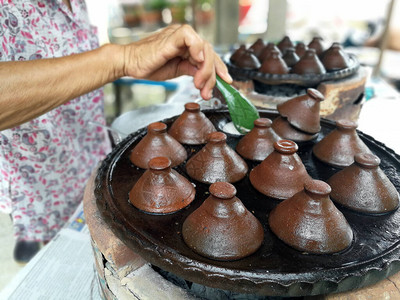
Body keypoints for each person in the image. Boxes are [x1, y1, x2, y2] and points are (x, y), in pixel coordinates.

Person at [0, 0, 232, 263]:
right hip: (36, 179)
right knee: (50, 251)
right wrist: (121, 59)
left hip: (91, 154)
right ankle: (30, 241)